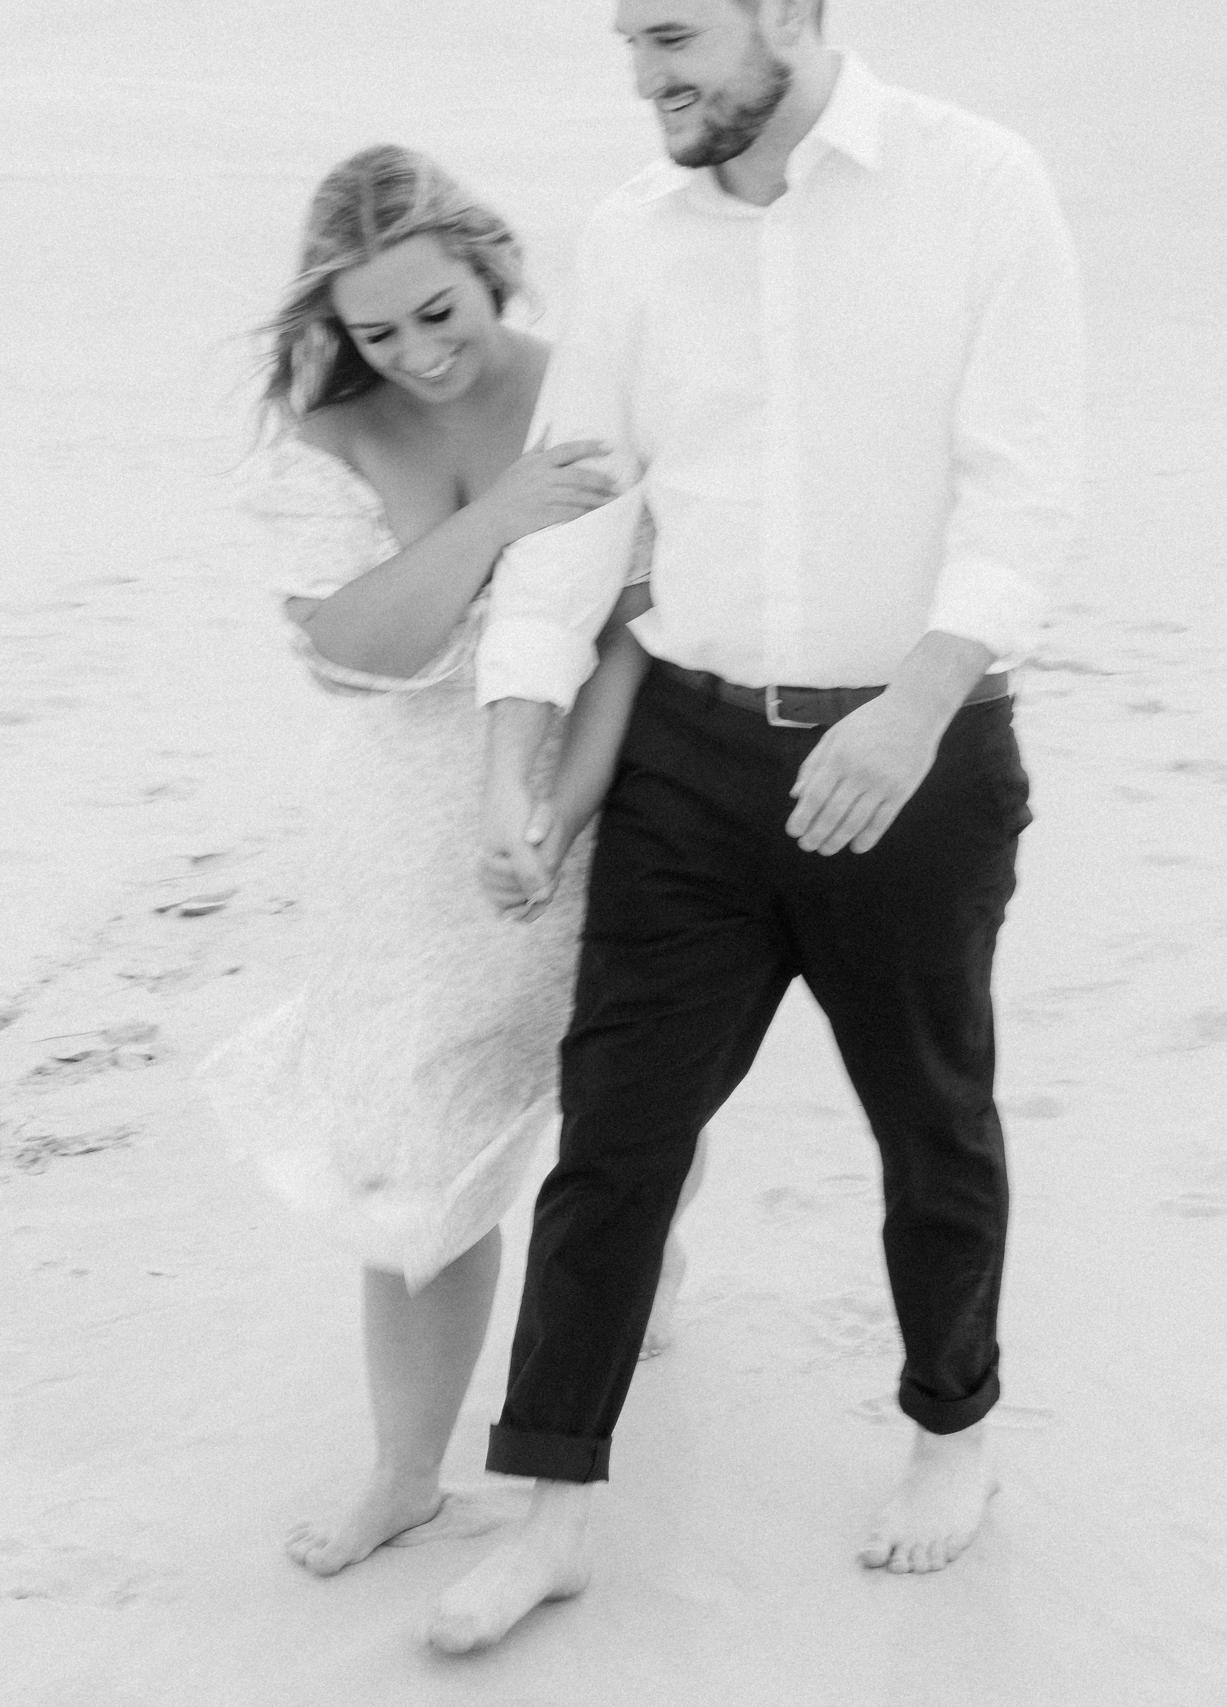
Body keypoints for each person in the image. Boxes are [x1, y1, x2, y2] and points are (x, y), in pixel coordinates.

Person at [422, 0, 1084, 1656]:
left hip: (914, 760)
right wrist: (516, 745)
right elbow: (575, 507)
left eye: (672, 39)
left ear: (786, 10)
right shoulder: (636, 228)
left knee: (927, 1126)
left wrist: (919, 697)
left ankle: (951, 1436)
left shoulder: (974, 187)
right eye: (630, 46)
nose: (646, 83)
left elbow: (1022, 485)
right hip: (691, 774)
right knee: (612, 1137)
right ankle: (552, 1506)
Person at [200, 145, 700, 1580]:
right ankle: (408, 1473)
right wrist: (490, 519)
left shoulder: (587, 385)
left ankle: (651, 1256)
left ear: (491, 268)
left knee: (629, 1097)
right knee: (416, 1165)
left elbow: (630, 629)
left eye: (440, 312)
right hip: (404, 841)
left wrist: (562, 810)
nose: (416, 354)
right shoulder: (327, 434)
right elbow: (358, 648)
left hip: (606, 797)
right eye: (376, 329)